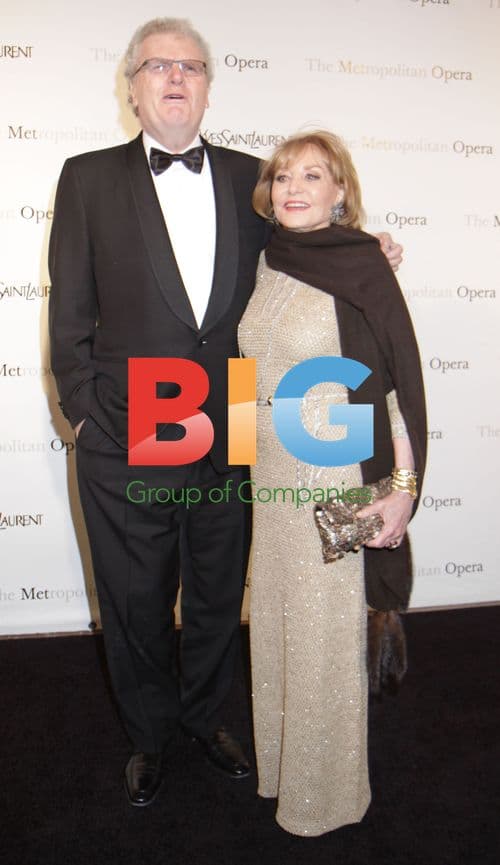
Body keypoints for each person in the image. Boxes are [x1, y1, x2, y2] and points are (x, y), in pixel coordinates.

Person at [48, 17, 404, 809]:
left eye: (191, 66)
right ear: (132, 86)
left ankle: (208, 718)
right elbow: (69, 316)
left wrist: (367, 251)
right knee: (136, 598)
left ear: (208, 85)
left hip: (233, 428)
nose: (175, 78)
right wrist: (86, 417)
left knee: (214, 591)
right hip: (128, 428)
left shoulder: (254, 179)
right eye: (158, 66)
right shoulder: (87, 178)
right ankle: (148, 733)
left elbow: (310, 249)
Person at [238, 130, 426, 836]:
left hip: (333, 471)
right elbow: (249, 368)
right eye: (284, 175)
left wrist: (400, 487)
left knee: (322, 634)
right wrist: (238, 457)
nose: (293, 187)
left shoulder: (363, 265)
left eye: (312, 176)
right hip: (271, 476)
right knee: (280, 626)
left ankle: (327, 795)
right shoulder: (268, 260)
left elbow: (394, 387)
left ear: (339, 190)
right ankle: (284, 768)